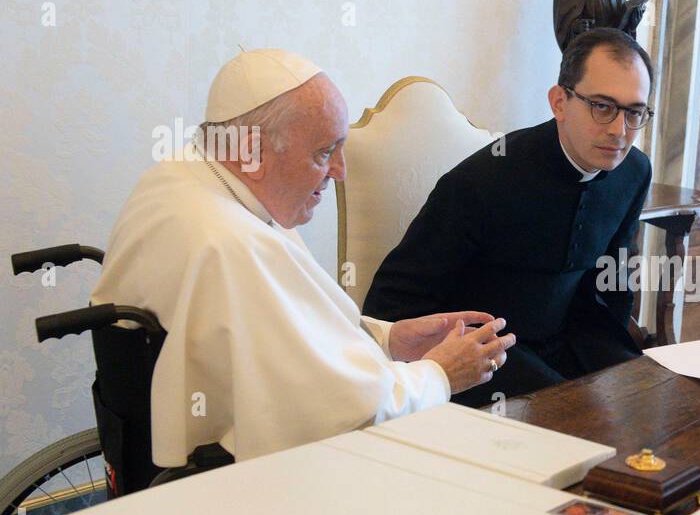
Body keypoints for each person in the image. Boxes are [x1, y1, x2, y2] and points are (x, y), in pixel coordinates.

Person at [92, 49, 513, 468]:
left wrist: (386, 339)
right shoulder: (230, 242)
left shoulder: (186, 176)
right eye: (324, 152)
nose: (340, 172)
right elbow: (337, 411)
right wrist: (440, 374)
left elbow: (288, 330)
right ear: (253, 152)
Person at [364, 29, 653, 407]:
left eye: (634, 112)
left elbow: (612, 282)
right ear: (559, 102)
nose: (619, 130)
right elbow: (390, 304)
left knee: (653, 397)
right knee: (575, 417)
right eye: (602, 106)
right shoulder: (481, 181)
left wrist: (623, 370)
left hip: (574, 340)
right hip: (489, 354)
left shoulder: (634, 171)